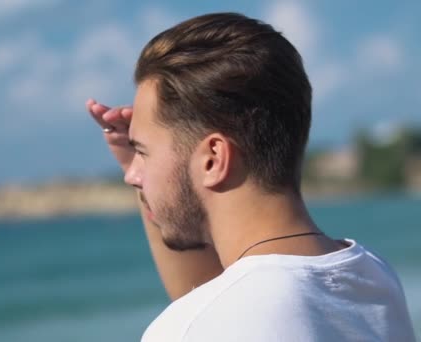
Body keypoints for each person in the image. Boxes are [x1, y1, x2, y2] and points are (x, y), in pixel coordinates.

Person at [85, 12, 416, 342]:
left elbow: (210, 310)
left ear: (213, 159)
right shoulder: (373, 277)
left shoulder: (193, 328)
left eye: (142, 152)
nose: (133, 176)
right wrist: (144, 158)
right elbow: (216, 296)